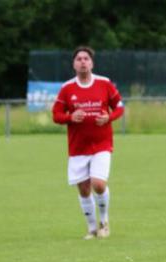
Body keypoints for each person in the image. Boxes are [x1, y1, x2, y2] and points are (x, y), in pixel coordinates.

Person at [52, 46, 124, 239]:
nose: (83, 62)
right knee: (84, 189)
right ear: (74, 64)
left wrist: (108, 117)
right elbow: (56, 115)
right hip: (77, 148)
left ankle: (104, 222)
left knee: (98, 184)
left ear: (92, 63)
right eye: (79, 59)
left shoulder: (104, 83)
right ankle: (92, 228)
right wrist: (70, 117)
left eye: (86, 58)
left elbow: (119, 107)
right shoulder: (67, 88)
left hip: (101, 144)